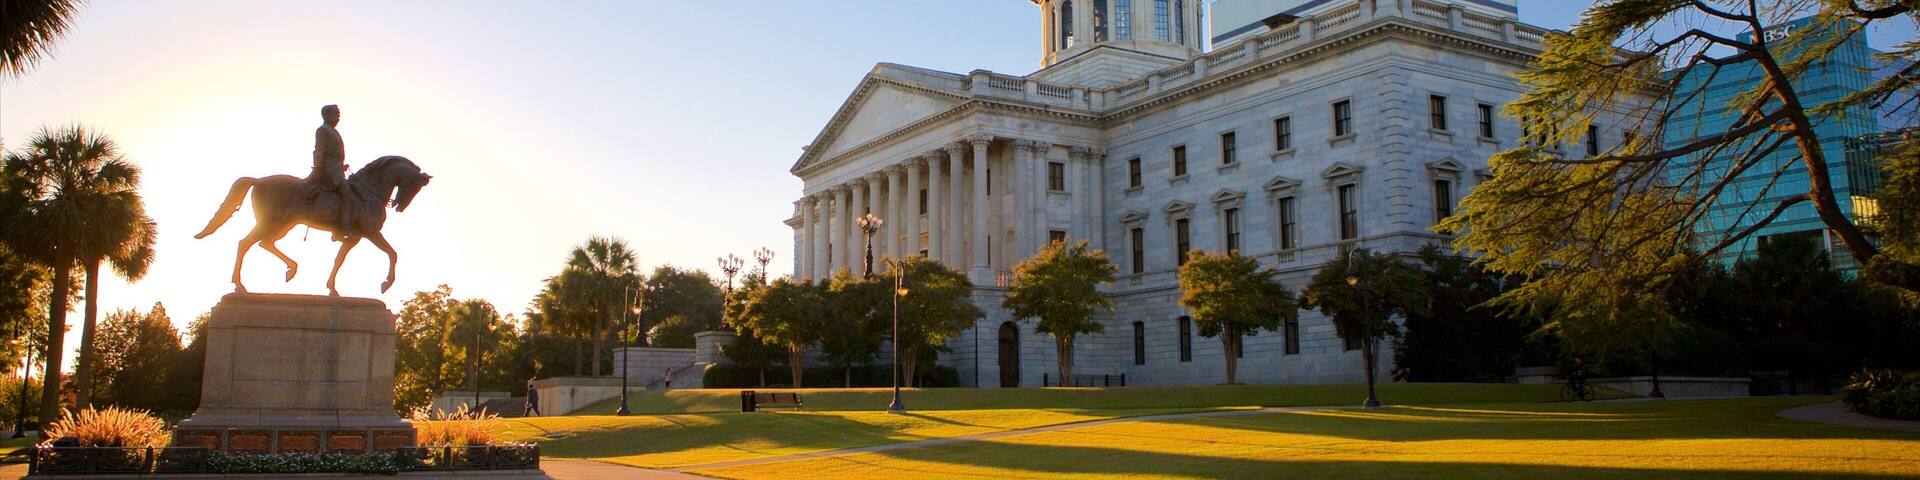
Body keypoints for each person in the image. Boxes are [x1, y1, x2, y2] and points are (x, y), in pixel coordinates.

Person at [307, 104, 354, 240]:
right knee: (348, 196)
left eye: (339, 114)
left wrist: (341, 166)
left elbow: (333, 155)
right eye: (336, 113)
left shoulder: (332, 131)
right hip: (330, 172)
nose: (338, 117)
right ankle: (341, 230)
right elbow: (319, 152)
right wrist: (318, 170)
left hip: (337, 170)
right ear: (327, 115)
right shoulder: (323, 130)